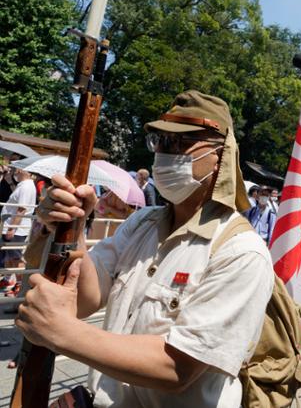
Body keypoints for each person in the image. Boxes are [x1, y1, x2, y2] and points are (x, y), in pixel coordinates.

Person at [15, 90, 274, 407]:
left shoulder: (240, 251)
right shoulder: (142, 223)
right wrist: (68, 226)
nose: (165, 154)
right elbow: (84, 298)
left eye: (181, 143)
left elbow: (177, 368)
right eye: (161, 142)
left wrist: (63, 334)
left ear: (220, 157)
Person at [0, 166, 37, 295]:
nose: (14, 171)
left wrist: (12, 228)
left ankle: (21, 286)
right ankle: (10, 281)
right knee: (10, 257)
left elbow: (21, 209)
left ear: (22, 171)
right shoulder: (23, 185)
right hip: (12, 227)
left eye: (16, 169)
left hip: (17, 229)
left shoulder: (26, 186)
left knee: (16, 258)